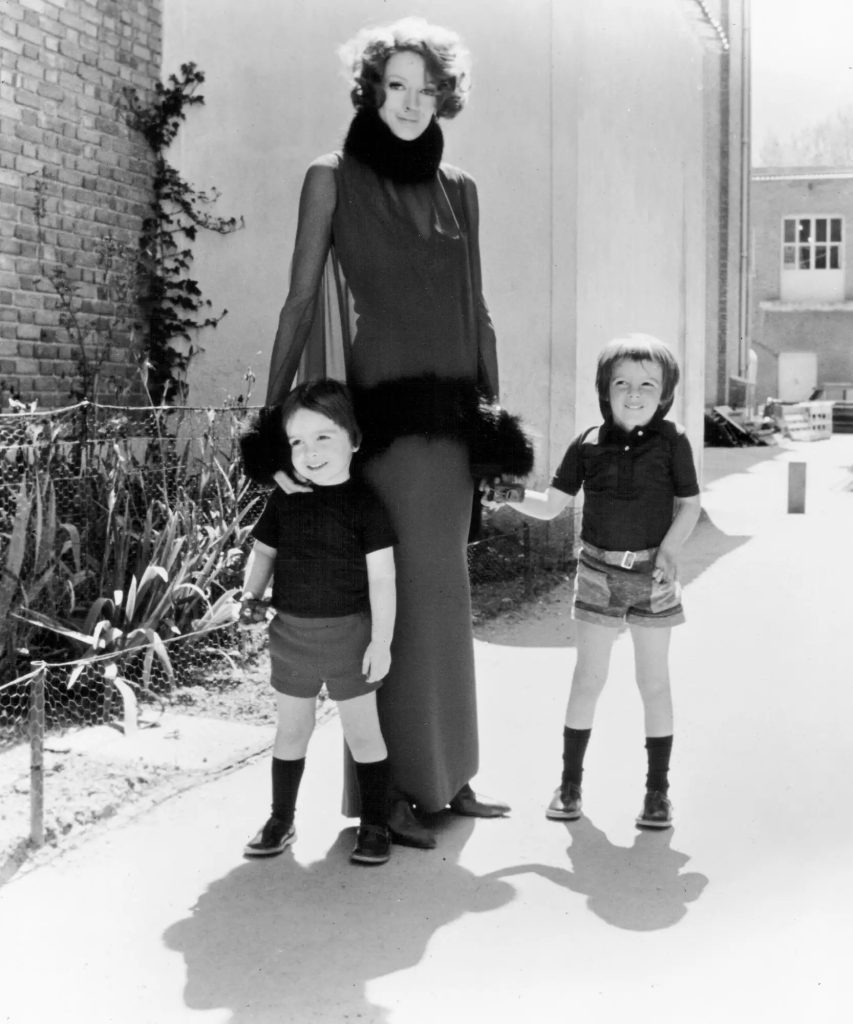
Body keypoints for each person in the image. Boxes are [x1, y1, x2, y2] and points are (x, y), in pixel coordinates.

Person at [257, 17, 533, 849]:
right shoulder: (330, 177)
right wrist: (272, 427)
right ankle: (393, 794)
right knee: (392, 602)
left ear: (444, 96)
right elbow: (300, 302)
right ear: (371, 93)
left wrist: (494, 423)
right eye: (396, 87)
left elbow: (476, 307)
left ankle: (449, 776)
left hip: (450, 429)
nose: (412, 103)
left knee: (443, 594)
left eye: (426, 89)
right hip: (379, 425)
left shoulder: (462, 189)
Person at [491, 335, 701, 828]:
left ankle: (657, 793)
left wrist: (670, 551)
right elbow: (552, 505)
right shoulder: (587, 443)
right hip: (598, 573)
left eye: (647, 385)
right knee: (588, 678)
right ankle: (570, 785)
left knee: (654, 683)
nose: (634, 394)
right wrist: (507, 494)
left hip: (652, 575)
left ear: (665, 393)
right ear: (604, 389)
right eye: (621, 383)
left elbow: (690, 504)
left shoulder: (673, 441)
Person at [238, 380, 397, 866]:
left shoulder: (366, 504)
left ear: (355, 440)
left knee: (363, 734)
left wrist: (381, 643)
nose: (309, 452)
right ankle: (280, 820)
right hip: (291, 637)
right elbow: (264, 552)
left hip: (350, 639)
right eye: (297, 441)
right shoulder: (284, 498)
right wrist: (250, 597)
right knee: (291, 732)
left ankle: (374, 825)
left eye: (323, 437)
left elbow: (383, 578)